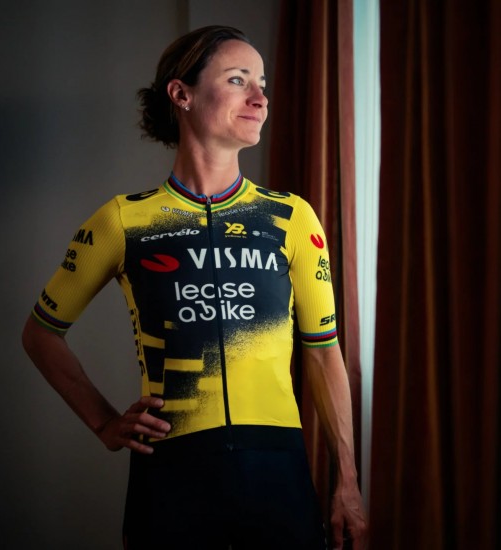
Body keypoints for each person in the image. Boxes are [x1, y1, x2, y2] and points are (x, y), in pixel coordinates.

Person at [22, 25, 367, 550]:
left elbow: (323, 352)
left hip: (276, 469)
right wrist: (105, 424)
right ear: (181, 94)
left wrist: (348, 482)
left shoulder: (291, 217)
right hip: (173, 473)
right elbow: (40, 334)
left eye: (262, 83)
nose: (260, 98)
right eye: (238, 80)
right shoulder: (123, 221)